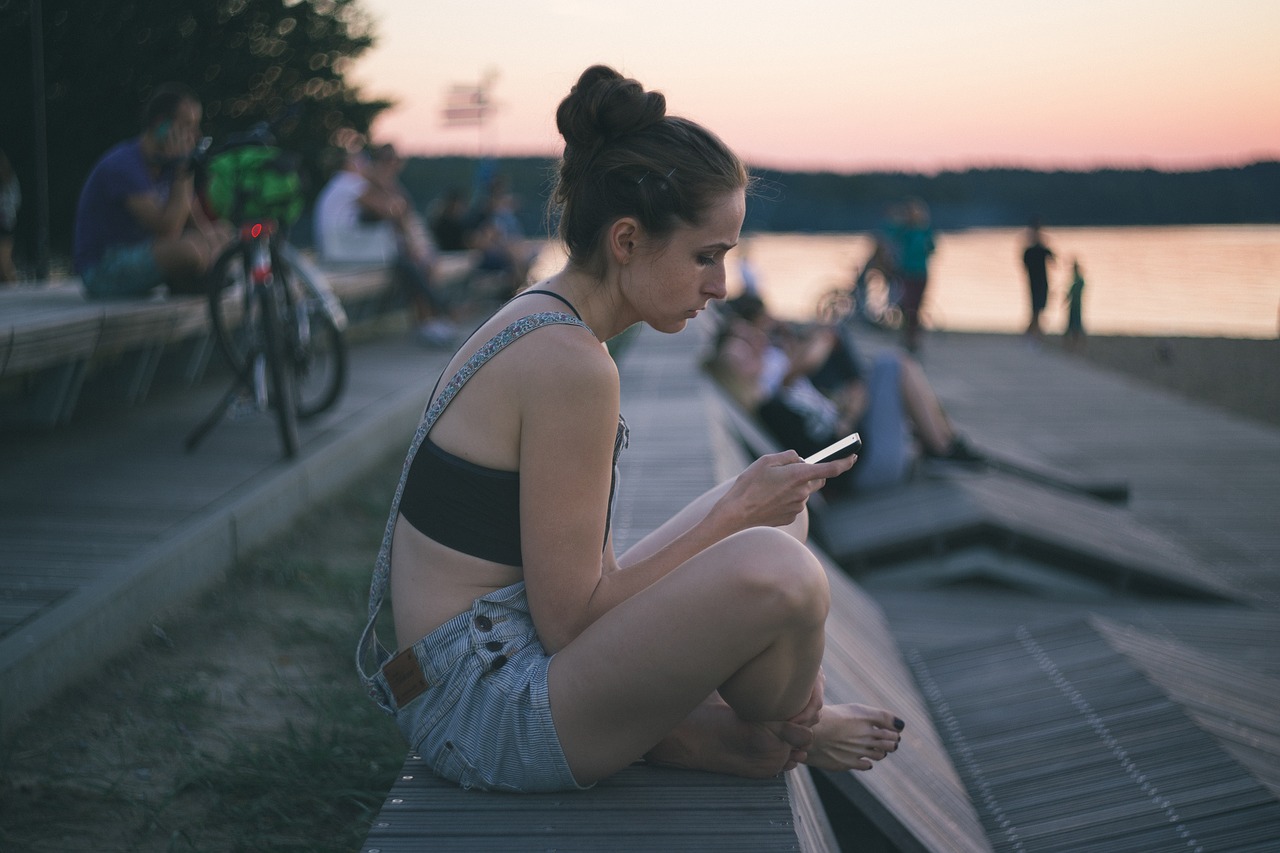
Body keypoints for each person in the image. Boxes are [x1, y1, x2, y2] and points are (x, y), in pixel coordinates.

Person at [357, 65, 905, 794]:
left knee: (783, 519)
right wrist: (738, 514)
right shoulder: (571, 363)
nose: (720, 286)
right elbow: (574, 624)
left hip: (487, 654)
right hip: (482, 708)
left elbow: (583, 586)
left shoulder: (543, 314)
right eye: (706, 256)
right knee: (783, 573)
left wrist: (744, 510)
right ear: (627, 240)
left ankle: (707, 732)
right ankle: (761, 730)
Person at [706, 293, 980, 496]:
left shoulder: (774, 399)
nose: (754, 349)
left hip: (862, 451)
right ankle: (943, 448)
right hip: (865, 467)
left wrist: (843, 407)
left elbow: (820, 430)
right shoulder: (772, 408)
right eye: (742, 357)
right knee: (892, 365)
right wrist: (850, 414)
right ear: (736, 378)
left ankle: (942, 444)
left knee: (885, 369)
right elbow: (819, 455)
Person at [73, 83, 230, 298]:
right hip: (103, 269)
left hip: (145, 252)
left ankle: (194, 280)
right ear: (161, 125)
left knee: (223, 233)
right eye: (187, 125)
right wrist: (182, 169)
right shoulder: (123, 165)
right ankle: (193, 280)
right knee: (188, 251)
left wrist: (214, 246)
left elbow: (196, 222)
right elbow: (169, 229)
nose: (196, 135)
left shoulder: (166, 164)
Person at [314, 144, 456, 346]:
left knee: (408, 262)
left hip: (341, 248)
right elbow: (390, 209)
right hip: (346, 251)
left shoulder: (339, 184)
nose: (364, 165)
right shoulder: (350, 183)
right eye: (360, 160)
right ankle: (434, 316)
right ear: (348, 164)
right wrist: (385, 189)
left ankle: (432, 317)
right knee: (407, 264)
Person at [895, 199, 934, 353]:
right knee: (907, 305)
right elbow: (893, 239)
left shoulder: (926, 231)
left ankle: (914, 338)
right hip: (907, 273)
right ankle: (908, 336)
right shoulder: (905, 231)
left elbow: (932, 248)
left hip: (920, 273)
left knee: (915, 306)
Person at [1021, 221, 1056, 341]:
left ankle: (1034, 333)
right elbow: (1024, 265)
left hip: (1041, 281)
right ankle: (1033, 334)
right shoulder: (1031, 250)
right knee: (1036, 309)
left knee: (1039, 308)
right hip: (1035, 282)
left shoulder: (1040, 249)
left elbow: (1053, 260)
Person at [0, 149, 19, 283]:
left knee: (4, 260)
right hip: (6, 222)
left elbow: (15, 201)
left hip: (5, 223)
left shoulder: (9, 180)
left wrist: (6, 212)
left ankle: (14, 284)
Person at [1064, 257, 1086, 351]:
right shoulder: (1075, 280)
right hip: (1073, 306)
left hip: (1076, 306)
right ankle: (1070, 345)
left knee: (1076, 326)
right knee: (1071, 326)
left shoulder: (1079, 281)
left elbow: (1072, 293)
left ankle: (1076, 345)